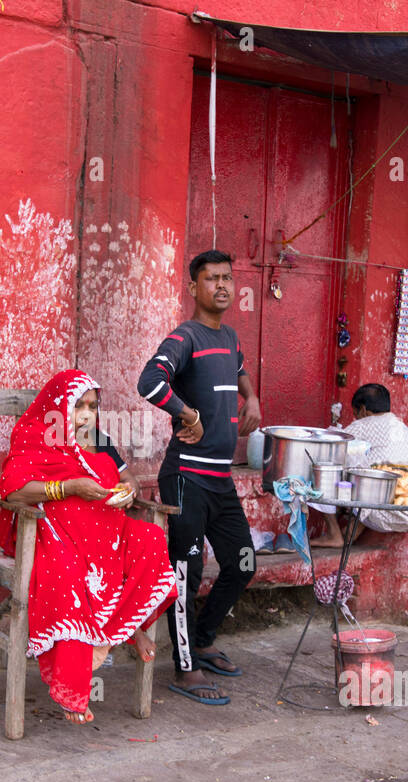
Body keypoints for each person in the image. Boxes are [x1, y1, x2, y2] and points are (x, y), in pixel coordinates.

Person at [0, 370, 175, 724]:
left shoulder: (99, 439)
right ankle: (73, 685)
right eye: (78, 406)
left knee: (152, 539)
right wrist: (68, 488)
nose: (86, 415)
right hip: (58, 535)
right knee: (68, 574)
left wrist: (130, 491)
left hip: (107, 531)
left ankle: (125, 628)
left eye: (92, 406)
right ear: (59, 406)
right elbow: (13, 491)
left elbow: (129, 479)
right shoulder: (39, 438)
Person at [137, 249, 261, 705]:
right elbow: (149, 381)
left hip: (221, 479)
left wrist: (253, 400)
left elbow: (240, 369)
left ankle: (204, 640)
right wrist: (186, 412)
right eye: (211, 279)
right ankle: (184, 668)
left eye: (228, 278)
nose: (222, 286)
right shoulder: (184, 336)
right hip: (186, 475)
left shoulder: (227, 336)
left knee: (242, 562)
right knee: (186, 574)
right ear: (194, 288)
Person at [311, 383, 408, 548]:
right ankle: (352, 530)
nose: (356, 418)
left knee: (323, 465)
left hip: (381, 512)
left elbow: (333, 454)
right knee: (377, 472)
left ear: (363, 410)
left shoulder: (361, 426)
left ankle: (334, 534)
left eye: (355, 414)